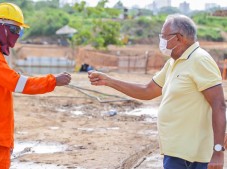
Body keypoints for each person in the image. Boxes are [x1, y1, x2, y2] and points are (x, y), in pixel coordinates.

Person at [88, 14, 226, 169]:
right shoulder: (173, 62)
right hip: (175, 151)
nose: (161, 41)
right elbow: (147, 91)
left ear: (179, 38)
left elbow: (218, 104)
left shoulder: (200, 60)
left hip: (193, 157)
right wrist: (109, 81)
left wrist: (218, 151)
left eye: (164, 36)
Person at [0, 2, 71, 169]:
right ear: (0, 28)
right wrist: (53, 81)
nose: (17, 35)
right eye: (14, 30)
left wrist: (8, 141)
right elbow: (18, 83)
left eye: (19, 31)